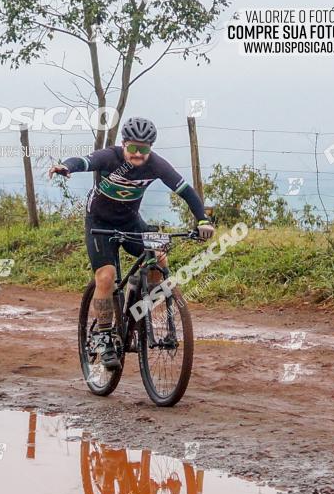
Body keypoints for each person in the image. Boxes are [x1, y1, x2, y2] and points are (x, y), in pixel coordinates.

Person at [49, 117, 214, 369]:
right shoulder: (110, 157)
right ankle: (103, 336)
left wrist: (203, 220)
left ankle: (136, 307)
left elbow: (186, 191)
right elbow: (85, 161)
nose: (138, 154)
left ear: (151, 148)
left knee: (158, 260)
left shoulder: (157, 165)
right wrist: (66, 167)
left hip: (130, 221)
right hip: (100, 223)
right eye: (133, 148)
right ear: (123, 144)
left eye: (144, 149)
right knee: (106, 277)